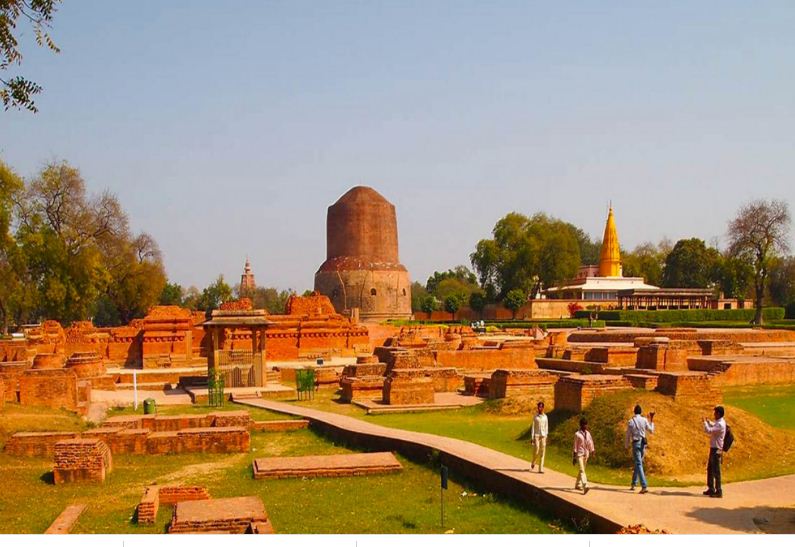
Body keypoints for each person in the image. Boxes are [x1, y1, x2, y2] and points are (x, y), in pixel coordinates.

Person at [624, 404, 655, 494]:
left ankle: (644, 486)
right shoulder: (644, 420)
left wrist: (626, 445)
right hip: (643, 444)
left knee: (638, 463)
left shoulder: (631, 421)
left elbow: (628, 435)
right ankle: (634, 483)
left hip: (636, 443)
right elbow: (651, 430)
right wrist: (651, 420)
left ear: (634, 412)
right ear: (641, 412)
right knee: (638, 463)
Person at [703, 405, 727, 498]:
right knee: (710, 468)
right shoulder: (720, 422)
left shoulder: (720, 424)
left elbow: (709, 430)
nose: (714, 414)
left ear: (719, 414)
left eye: (715, 413)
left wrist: (705, 423)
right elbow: (714, 425)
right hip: (714, 448)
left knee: (716, 470)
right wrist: (709, 422)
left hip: (716, 449)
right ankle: (711, 488)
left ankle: (718, 490)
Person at [573, 417, 595, 494]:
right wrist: (574, 457)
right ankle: (585, 486)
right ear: (580, 425)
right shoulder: (577, 434)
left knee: (581, 470)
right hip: (579, 454)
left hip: (586, 454)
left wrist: (592, 450)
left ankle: (577, 484)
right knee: (582, 470)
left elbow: (590, 442)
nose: (585, 426)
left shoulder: (588, 434)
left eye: (586, 424)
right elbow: (575, 446)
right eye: (584, 424)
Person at [530, 401, 548, 473]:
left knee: (542, 451)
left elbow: (546, 427)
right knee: (536, 450)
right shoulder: (535, 416)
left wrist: (546, 436)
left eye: (541, 407)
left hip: (543, 436)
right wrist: (532, 437)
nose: (540, 408)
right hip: (536, 435)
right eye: (539, 407)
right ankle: (533, 461)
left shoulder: (545, 417)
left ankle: (541, 469)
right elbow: (533, 427)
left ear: (543, 408)